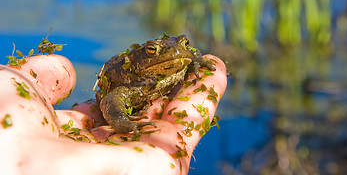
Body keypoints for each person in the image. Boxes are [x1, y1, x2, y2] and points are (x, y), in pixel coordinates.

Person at [0, 54, 227, 175]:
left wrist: (195, 61)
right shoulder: (132, 79)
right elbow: (110, 100)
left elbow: (188, 53)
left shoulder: (179, 58)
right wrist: (123, 123)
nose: (175, 52)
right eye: (152, 51)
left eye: (182, 46)